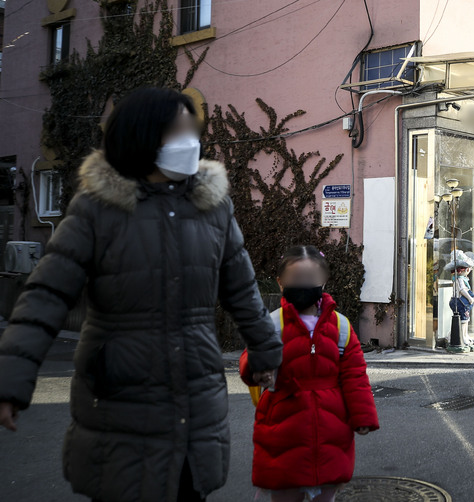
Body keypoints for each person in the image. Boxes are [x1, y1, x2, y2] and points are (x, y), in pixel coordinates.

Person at [0, 87, 283, 502]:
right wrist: (10, 383)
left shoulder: (214, 207)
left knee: (188, 489)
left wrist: (265, 354)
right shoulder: (96, 208)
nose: (191, 140)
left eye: (193, 129)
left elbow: (241, 290)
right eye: (177, 130)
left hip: (196, 395)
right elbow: (45, 296)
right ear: (142, 135)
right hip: (119, 400)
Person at [240, 245, 379, 502]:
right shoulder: (271, 323)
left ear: (323, 282)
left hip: (331, 430)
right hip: (282, 428)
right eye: (295, 281)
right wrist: (257, 370)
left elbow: (355, 375)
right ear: (281, 283)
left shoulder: (341, 326)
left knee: (326, 493)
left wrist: (363, 416)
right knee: (285, 490)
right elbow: (250, 358)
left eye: (309, 281)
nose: (302, 287)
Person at [445, 249, 474, 345]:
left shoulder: (461, 279)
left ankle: (460, 335)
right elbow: (462, 290)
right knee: (463, 320)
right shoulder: (459, 280)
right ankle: (462, 337)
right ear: (466, 269)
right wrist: (470, 298)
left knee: (464, 319)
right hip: (459, 302)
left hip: (459, 302)